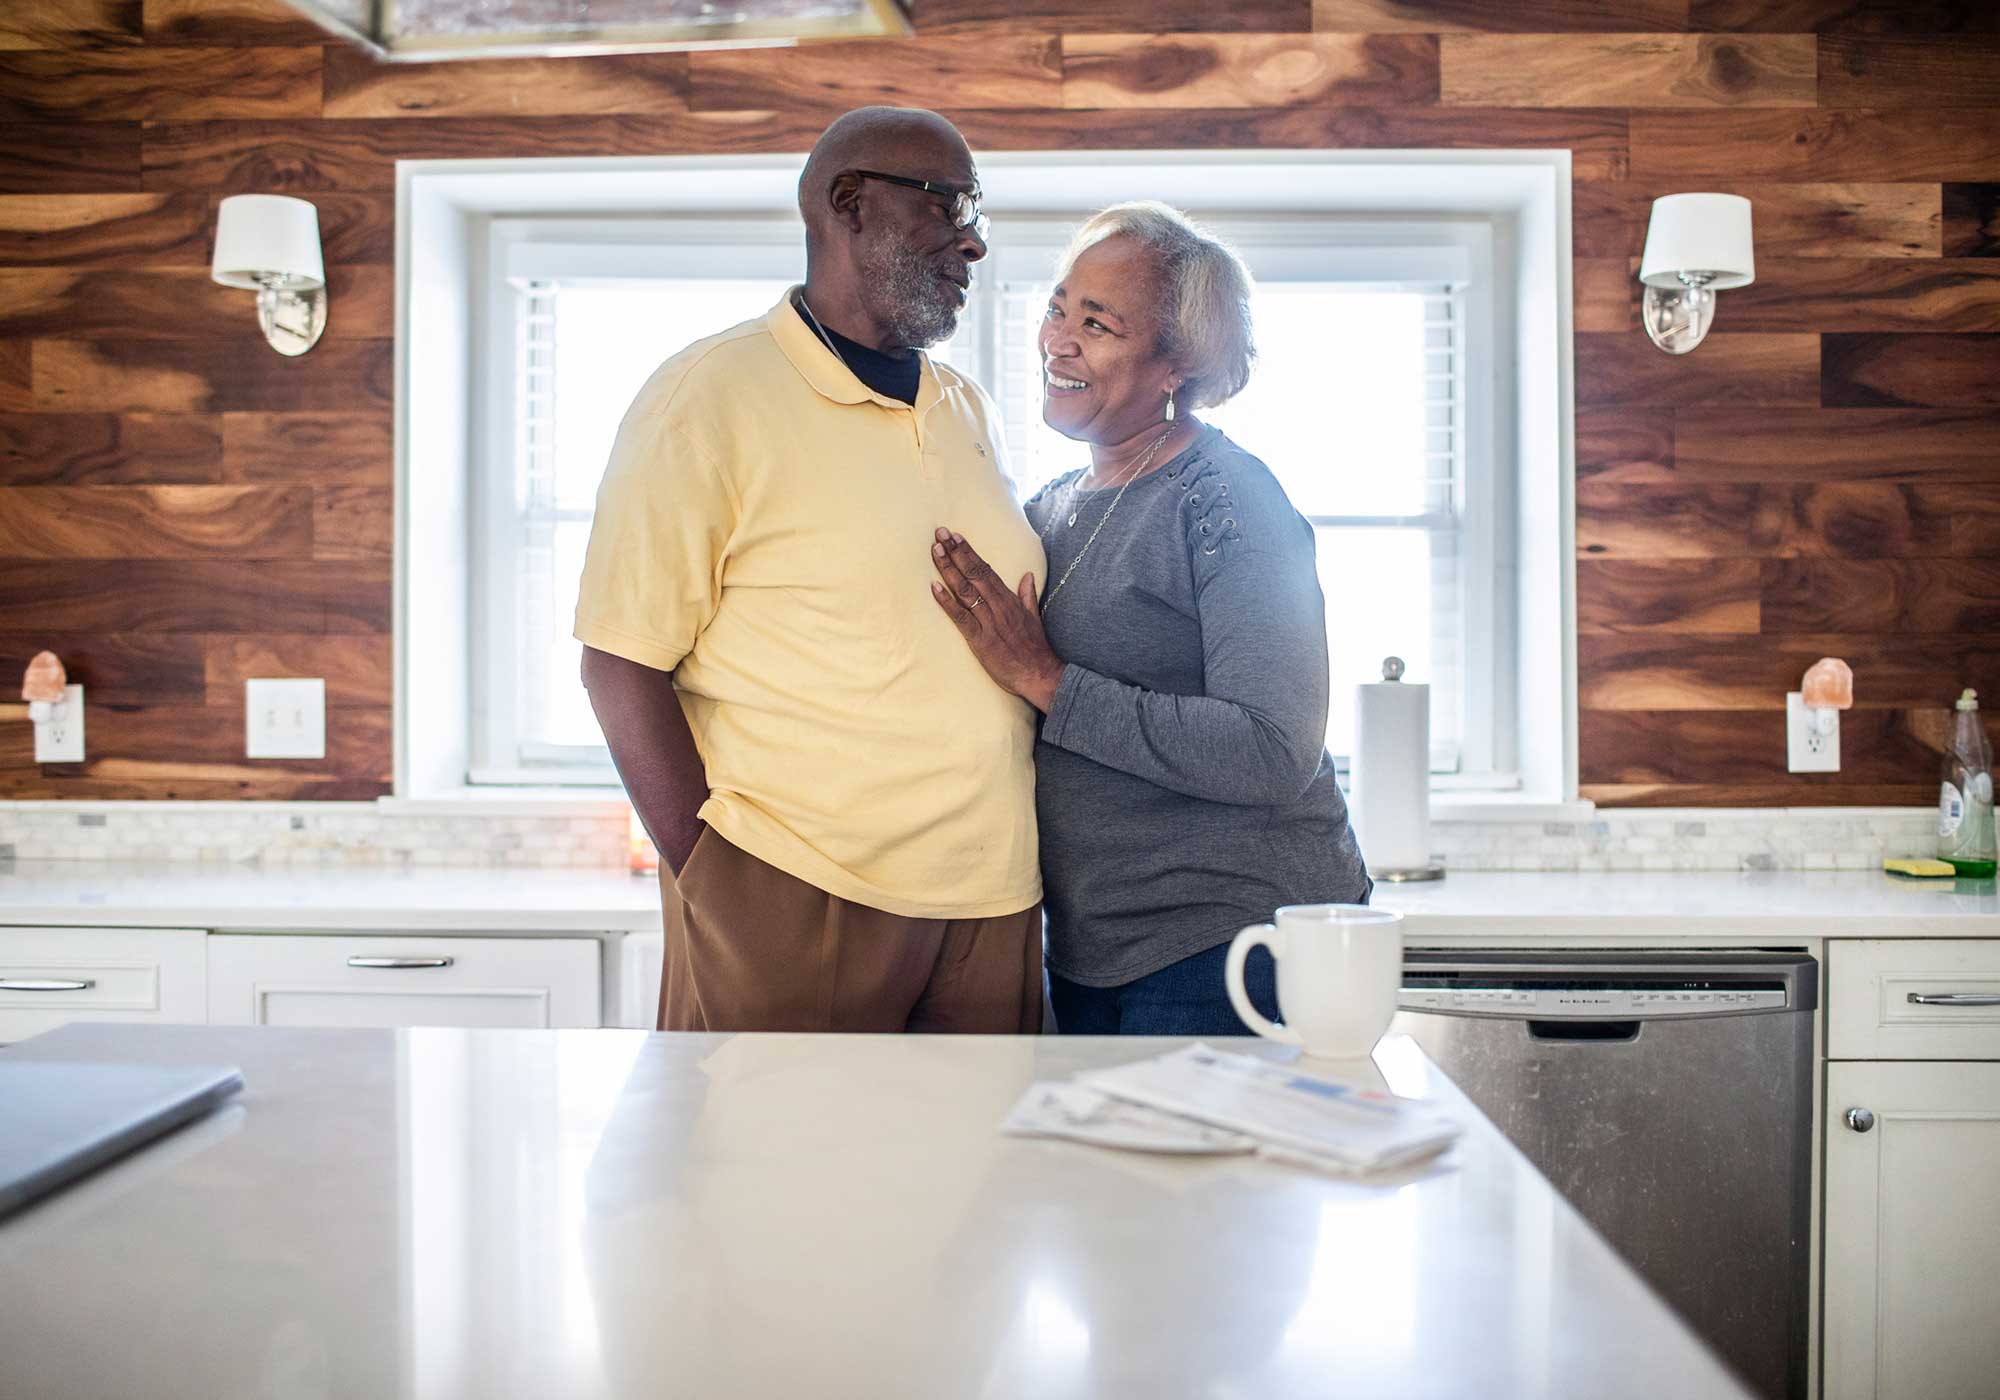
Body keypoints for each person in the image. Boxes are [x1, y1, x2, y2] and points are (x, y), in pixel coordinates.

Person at [575, 106, 1046, 1034]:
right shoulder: (706, 396)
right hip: (799, 887)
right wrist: (716, 878)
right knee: (780, 1176)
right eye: (952, 206)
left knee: (982, 1179)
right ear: (849, 203)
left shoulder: (966, 408)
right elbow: (619, 663)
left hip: (992, 899)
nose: (974, 244)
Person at [928, 201, 1371, 1036]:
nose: (1059, 339)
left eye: (1098, 324)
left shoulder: (1228, 500)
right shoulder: (1052, 507)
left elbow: (1274, 748)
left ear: (1177, 364)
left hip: (1230, 944)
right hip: (1090, 947)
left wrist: (1047, 681)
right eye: (1059, 307)